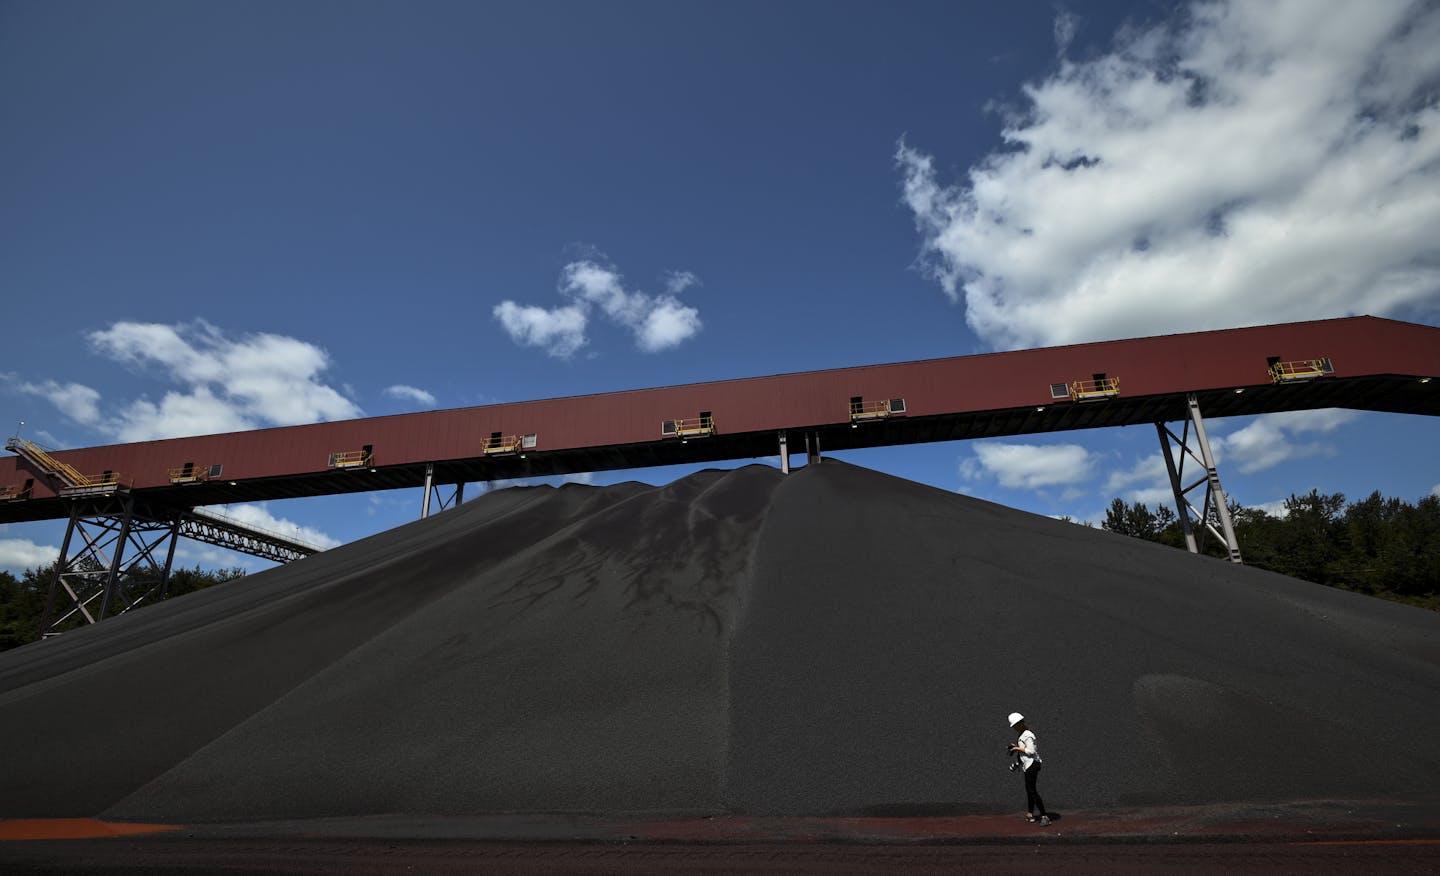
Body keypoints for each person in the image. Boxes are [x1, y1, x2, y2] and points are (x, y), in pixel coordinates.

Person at [1008, 712, 1051, 826]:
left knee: (1032, 790)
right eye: (1014, 726)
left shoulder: (1027, 735)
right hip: (1029, 765)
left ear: (1021, 723)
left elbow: (1031, 751)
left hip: (1032, 764)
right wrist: (1016, 760)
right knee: (1029, 790)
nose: (1016, 728)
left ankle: (1044, 816)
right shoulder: (1022, 734)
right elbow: (1023, 754)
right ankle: (1030, 814)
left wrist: (1017, 748)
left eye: (1017, 725)